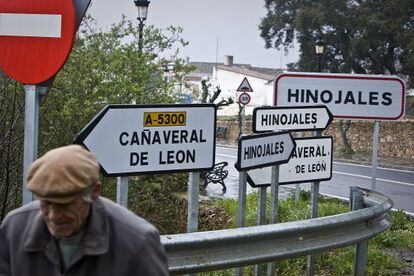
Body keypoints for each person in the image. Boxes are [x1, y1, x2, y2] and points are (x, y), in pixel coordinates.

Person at [0, 145, 169, 276]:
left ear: (95, 191)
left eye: (65, 204)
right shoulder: (14, 228)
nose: (53, 216)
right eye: (45, 203)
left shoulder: (137, 241)